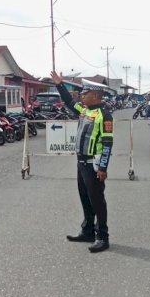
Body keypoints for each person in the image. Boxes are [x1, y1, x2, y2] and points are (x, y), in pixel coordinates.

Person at [50, 72, 114, 252]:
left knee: (97, 201)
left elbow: (108, 142)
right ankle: (88, 231)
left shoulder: (104, 115)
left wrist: (103, 167)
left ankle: (103, 236)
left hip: (94, 165)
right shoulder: (86, 111)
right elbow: (70, 102)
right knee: (85, 198)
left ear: (95, 95)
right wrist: (60, 85)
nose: (82, 96)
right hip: (81, 164)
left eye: (85, 94)